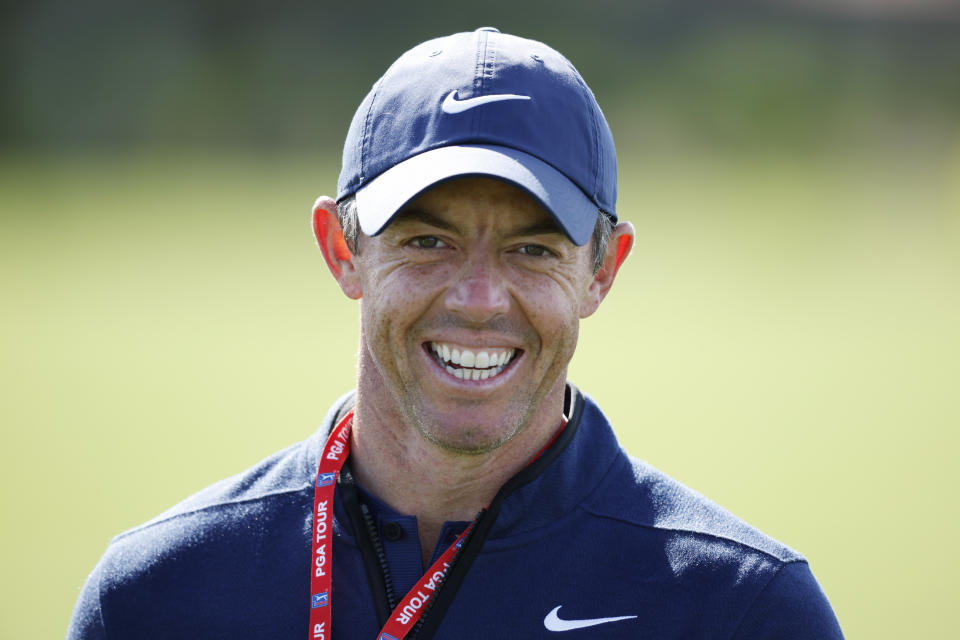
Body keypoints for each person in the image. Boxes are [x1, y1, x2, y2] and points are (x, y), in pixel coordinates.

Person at [68, 28, 843, 639]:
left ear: (604, 269)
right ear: (343, 250)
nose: (478, 300)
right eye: (426, 241)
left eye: (533, 249)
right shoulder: (156, 596)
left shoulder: (740, 610)